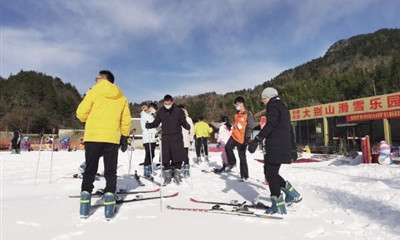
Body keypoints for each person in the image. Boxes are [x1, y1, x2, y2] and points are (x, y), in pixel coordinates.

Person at [76, 70, 131, 219]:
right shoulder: (121, 97)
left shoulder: (94, 91)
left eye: (97, 78)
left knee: (90, 169)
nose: (95, 81)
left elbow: (81, 114)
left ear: (103, 79)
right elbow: (126, 119)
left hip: (94, 136)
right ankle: (109, 206)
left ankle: (84, 206)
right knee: (110, 171)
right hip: (112, 137)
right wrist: (124, 136)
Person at [248, 87, 302, 215]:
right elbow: (290, 129)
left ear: (268, 97)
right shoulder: (283, 107)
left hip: (275, 145)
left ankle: (277, 205)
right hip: (282, 145)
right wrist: (293, 147)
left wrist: (257, 139)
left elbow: (270, 124)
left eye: (263, 99)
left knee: (270, 174)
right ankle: (291, 195)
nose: (263, 102)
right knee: (271, 172)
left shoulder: (273, 106)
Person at [145, 95, 190, 185]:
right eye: (165, 103)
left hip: (177, 137)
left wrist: (187, 126)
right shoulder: (161, 111)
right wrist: (149, 125)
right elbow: (156, 123)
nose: (167, 105)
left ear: (172, 102)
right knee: (165, 158)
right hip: (166, 138)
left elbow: (183, 121)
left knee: (177, 157)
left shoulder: (178, 111)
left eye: (168, 103)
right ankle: (168, 176)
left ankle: (177, 175)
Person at [224, 97, 254, 181]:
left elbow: (250, 126)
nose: (236, 106)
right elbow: (237, 124)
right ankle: (232, 163)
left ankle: (244, 176)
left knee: (242, 157)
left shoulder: (248, 114)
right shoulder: (236, 114)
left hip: (242, 138)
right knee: (227, 147)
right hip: (234, 136)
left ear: (241, 104)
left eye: (237, 104)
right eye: (235, 105)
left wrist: (247, 137)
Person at [140, 103, 158, 178]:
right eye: (153, 108)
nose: (154, 110)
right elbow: (154, 124)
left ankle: (149, 167)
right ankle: (146, 169)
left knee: (152, 154)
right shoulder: (145, 116)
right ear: (149, 108)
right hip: (148, 138)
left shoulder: (151, 115)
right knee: (148, 154)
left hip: (153, 138)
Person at [178, 104, 194, 177]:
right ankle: (184, 169)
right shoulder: (188, 118)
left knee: (182, 155)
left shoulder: (187, 119)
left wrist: (191, 138)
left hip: (182, 140)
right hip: (181, 140)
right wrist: (190, 139)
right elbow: (192, 130)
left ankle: (185, 169)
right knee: (184, 155)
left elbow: (191, 130)